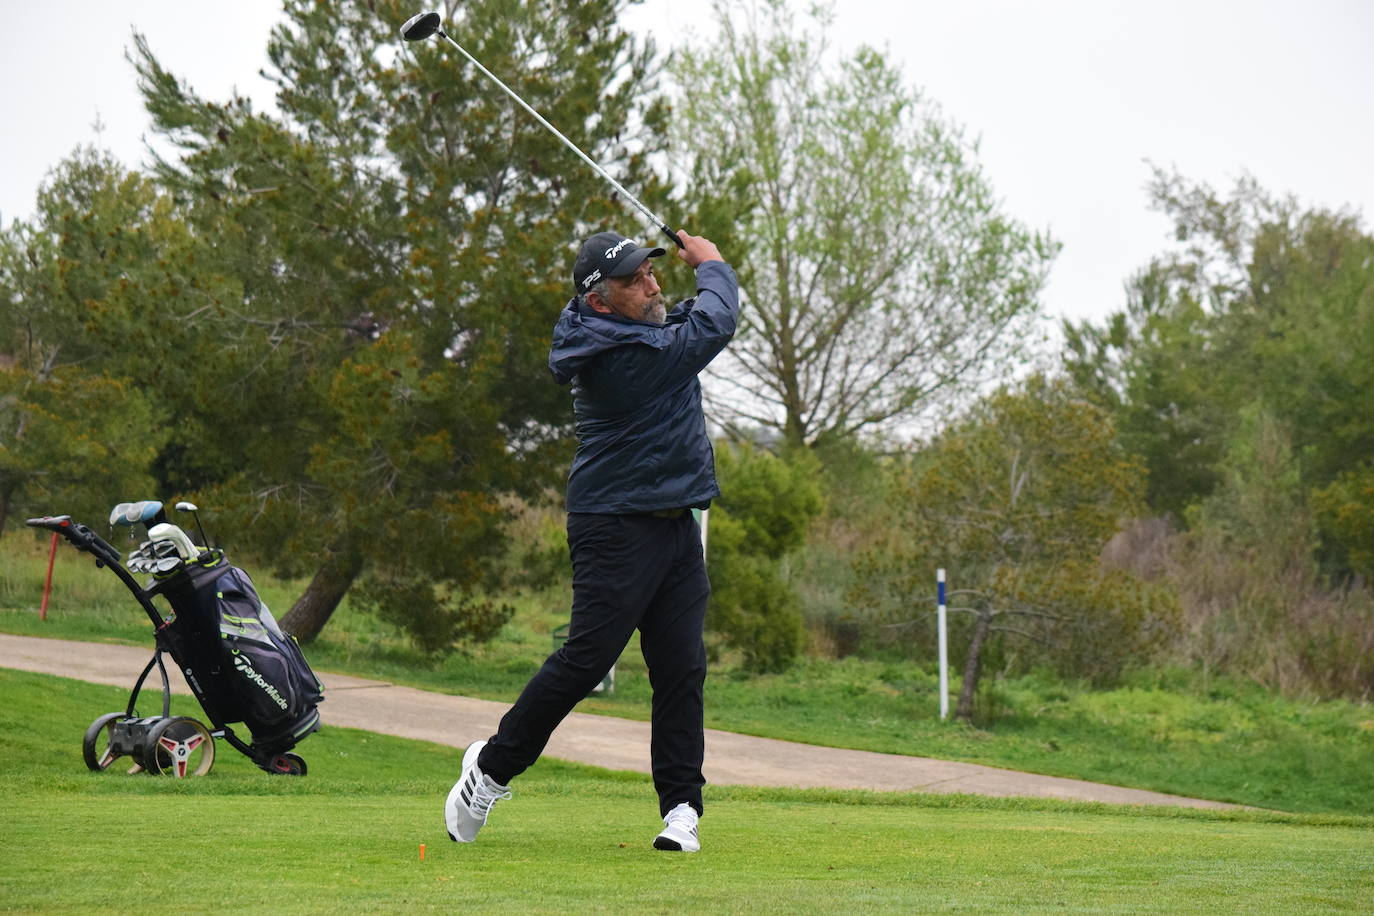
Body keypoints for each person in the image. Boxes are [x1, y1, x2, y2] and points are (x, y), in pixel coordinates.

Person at [444, 228, 738, 853]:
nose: (652, 284)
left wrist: (701, 280)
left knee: (682, 669)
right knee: (585, 661)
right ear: (600, 301)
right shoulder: (619, 358)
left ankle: (681, 808)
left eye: (653, 273)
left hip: (674, 525)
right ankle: (490, 771)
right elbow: (712, 325)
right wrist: (712, 264)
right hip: (614, 524)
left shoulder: (642, 332)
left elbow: (690, 321)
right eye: (634, 281)